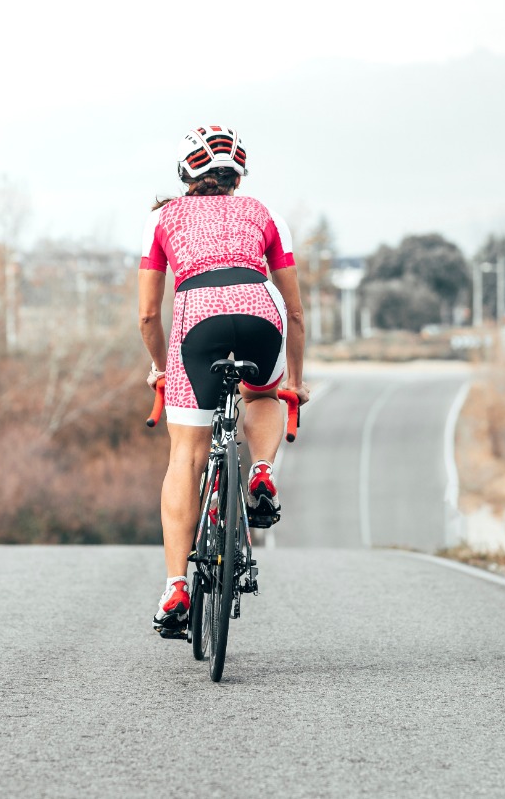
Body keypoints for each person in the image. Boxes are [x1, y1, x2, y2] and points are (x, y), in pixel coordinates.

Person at [137, 125, 308, 636]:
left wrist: (161, 367)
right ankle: (259, 469)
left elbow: (148, 315)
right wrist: (294, 380)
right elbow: (296, 312)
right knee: (262, 392)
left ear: (186, 173)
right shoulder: (265, 213)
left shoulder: (163, 218)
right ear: (237, 177)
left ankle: (175, 587)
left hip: (198, 321)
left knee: (186, 457)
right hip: (262, 312)